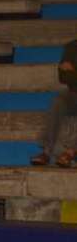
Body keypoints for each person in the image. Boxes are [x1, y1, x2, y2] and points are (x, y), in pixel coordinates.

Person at [31, 39, 77, 167]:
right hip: (73, 92)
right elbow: (63, 77)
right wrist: (69, 72)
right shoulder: (72, 47)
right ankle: (47, 151)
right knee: (57, 101)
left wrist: (73, 70)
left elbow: (69, 72)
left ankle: (70, 152)